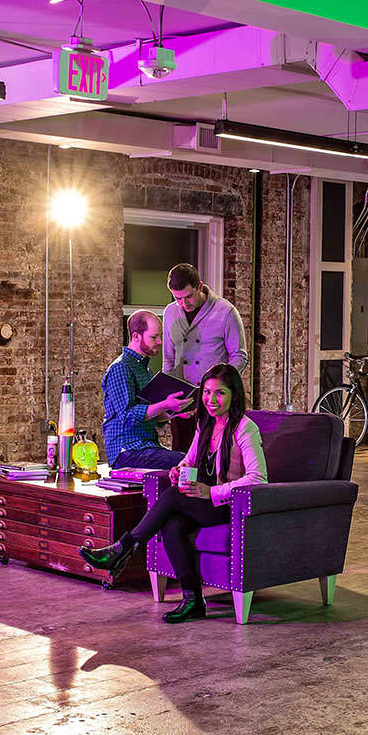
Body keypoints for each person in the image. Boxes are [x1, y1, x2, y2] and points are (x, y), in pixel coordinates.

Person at [81, 363, 267, 623]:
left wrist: (212, 492)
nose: (211, 400)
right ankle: (193, 600)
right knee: (171, 524)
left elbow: (258, 477)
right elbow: (189, 461)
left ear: (234, 394)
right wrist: (178, 470)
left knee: (172, 497)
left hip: (232, 507)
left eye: (220, 393)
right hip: (207, 503)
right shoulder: (206, 424)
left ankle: (122, 549)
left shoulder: (245, 428)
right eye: (207, 392)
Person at [162, 263, 250, 452]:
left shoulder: (226, 312)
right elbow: (168, 358)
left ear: (200, 287)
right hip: (182, 400)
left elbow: (240, 355)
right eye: (177, 298)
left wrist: (219, 385)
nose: (183, 304)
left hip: (214, 400)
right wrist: (167, 396)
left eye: (188, 297)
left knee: (211, 454)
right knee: (181, 456)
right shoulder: (169, 312)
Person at [103, 310, 195, 469]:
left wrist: (176, 412)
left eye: (159, 336)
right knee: (188, 462)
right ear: (136, 337)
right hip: (126, 450)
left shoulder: (146, 370)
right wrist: (165, 405)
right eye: (154, 337)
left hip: (147, 446)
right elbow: (127, 415)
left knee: (192, 459)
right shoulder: (120, 368)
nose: (160, 341)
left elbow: (151, 416)